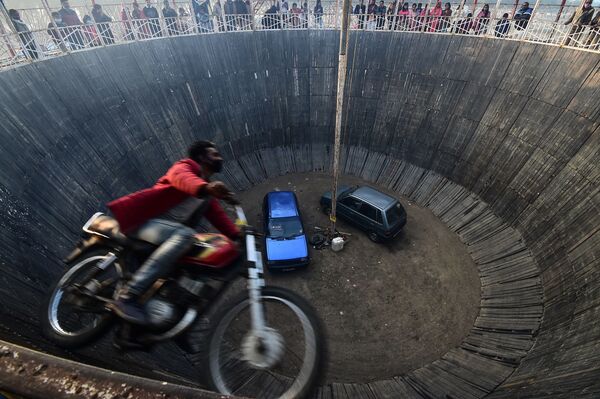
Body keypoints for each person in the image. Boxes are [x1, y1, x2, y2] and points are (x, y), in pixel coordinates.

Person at [107, 141, 241, 325]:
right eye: (215, 154)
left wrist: (238, 235)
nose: (220, 158)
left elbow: (217, 216)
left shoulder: (205, 192)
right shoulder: (185, 167)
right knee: (186, 235)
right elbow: (182, 178)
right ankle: (128, 295)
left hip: (167, 235)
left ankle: (179, 322)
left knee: (201, 262)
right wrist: (205, 188)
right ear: (202, 157)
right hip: (145, 222)